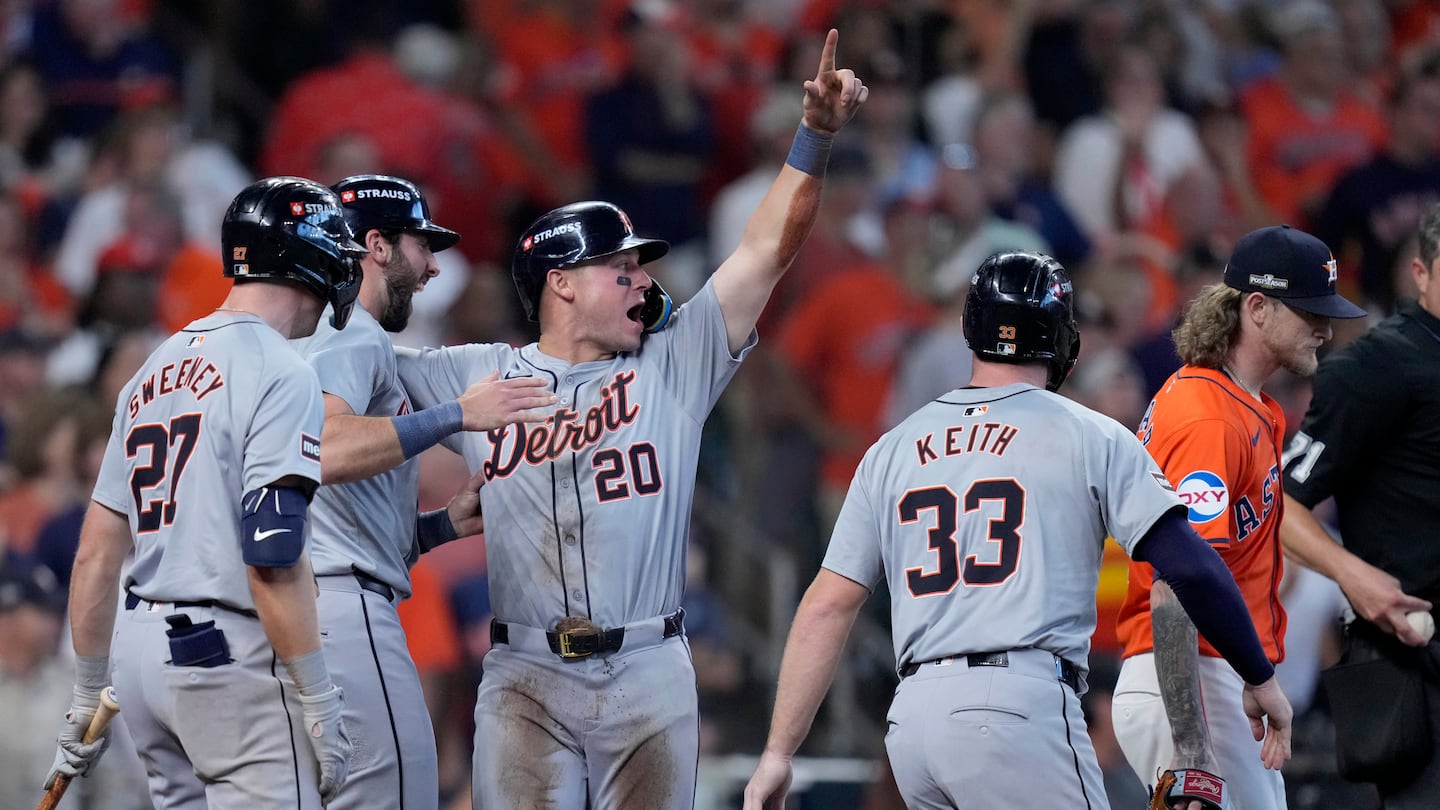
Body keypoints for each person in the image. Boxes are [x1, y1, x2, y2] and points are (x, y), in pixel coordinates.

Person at [395, 29, 867, 809]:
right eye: (620, 269)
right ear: (562, 285)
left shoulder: (673, 364)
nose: (641, 281)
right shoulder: (476, 375)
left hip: (648, 667)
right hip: (524, 675)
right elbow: (341, 379)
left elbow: (763, 254)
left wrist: (813, 139)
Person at [741, 251, 1293, 810]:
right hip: (1015, 704)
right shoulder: (1088, 433)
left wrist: (778, 753)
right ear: (1063, 337)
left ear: (971, 330)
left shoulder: (892, 447)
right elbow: (1193, 566)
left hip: (913, 722)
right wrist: (1259, 674)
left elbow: (826, 607)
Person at [43, 176, 365, 808]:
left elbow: (98, 553)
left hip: (137, 662)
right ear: (307, 257)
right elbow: (273, 554)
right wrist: (318, 694)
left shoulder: (150, 367)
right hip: (224, 656)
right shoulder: (280, 368)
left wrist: (86, 691)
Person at [293, 173, 555, 810]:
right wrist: (457, 415)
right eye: (422, 246)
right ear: (377, 246)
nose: (434, 267)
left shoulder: (296, 338)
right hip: (341, 610)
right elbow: (324, 452)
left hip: (291, 598)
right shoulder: (352, 330)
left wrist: (437, 527)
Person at [1112, 225, 1367, 808]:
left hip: (1210, 676)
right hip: (1190, 681)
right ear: (1257, 307)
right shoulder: (1210, 420)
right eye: (1309, 313)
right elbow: (1177, 586)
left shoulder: (1242, 406)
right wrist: (1193, 751)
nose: (1325, 330)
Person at [1279, 202, 1440, 806]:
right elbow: (1284, 504)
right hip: (1417, 661)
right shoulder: (1376, 367)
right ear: (1420, 274)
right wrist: (1354, 574)